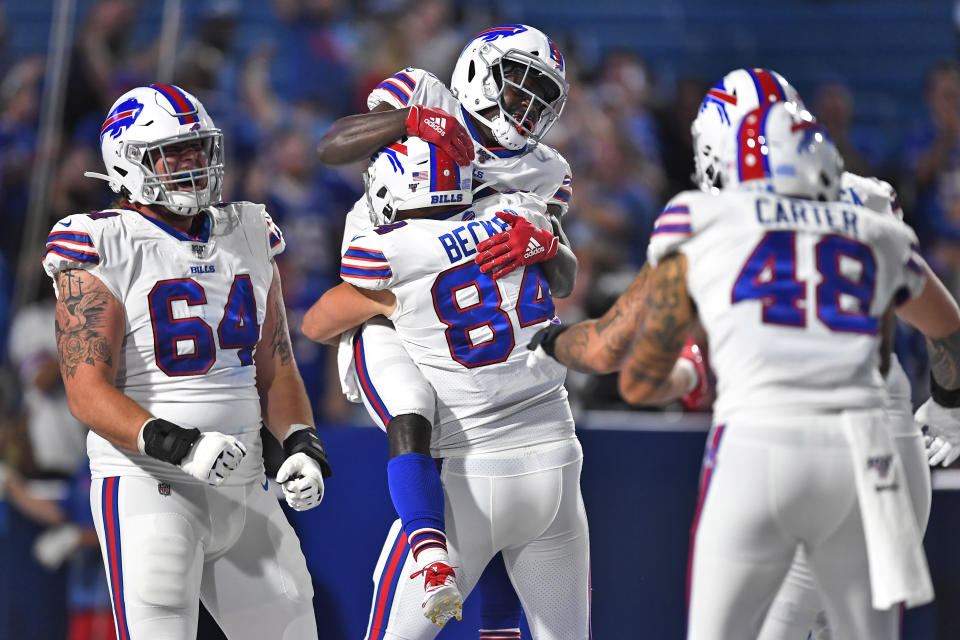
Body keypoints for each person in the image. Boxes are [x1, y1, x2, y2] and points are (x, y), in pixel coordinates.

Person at [618, 100, 953, 639]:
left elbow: (639, 361)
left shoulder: (709, 217)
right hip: (877, 449)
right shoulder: (867, 208)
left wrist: (687, 373)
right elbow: (944, 322)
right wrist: (950, 403)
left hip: (767, 438)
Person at [42, 83, 332, 639]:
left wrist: (300, 443)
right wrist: (180, 444)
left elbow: (276, 367)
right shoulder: (102, 241)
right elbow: (85, 389)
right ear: (128, 162)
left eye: (199, 149)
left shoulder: (248, 232)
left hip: (246, 485)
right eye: (174, 153)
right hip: (150, 483)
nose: (193, 164)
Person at [314, 23, 576, 628]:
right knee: (413, 414)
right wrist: (410, 121)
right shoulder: (425, 92)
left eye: (543, 97)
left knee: (496, 461)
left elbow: (558, 277)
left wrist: (545, 245)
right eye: (520, 90)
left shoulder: (544, 171)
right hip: (384, 288)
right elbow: (333, 144)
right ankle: (430, 555)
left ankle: (497, 618)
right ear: (483, 75)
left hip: (466, 323)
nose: (529, 108)